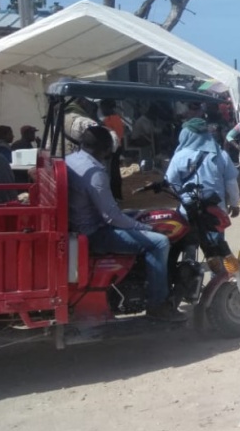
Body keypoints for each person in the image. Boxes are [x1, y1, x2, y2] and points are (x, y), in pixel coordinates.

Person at [66, 126, 184, 321]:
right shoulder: (95, 172)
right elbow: (111, 217)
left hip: (79, 223)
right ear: (104, 149)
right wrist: (145, 227)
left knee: (138, 214)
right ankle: (158, 304)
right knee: (160, 242)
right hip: (93, 232)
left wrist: (137, 219)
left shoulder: (71, 160)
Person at [165, 119, 240, 264]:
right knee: (217, 248)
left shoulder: (179, 156)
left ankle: (189, 277)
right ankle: (219, 282)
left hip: (187, 210)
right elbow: (231, 182)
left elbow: (170, 182)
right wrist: (235, 203)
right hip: (215, 211)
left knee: (189, 245)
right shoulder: (221, 154)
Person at [99, 99, 126, 200]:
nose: (101, 110)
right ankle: (118, 195)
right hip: (118, 146)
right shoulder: (118, 118)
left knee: (109, 172)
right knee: (115, 171)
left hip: (110, 148)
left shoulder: (108, 120)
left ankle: (112, 195)